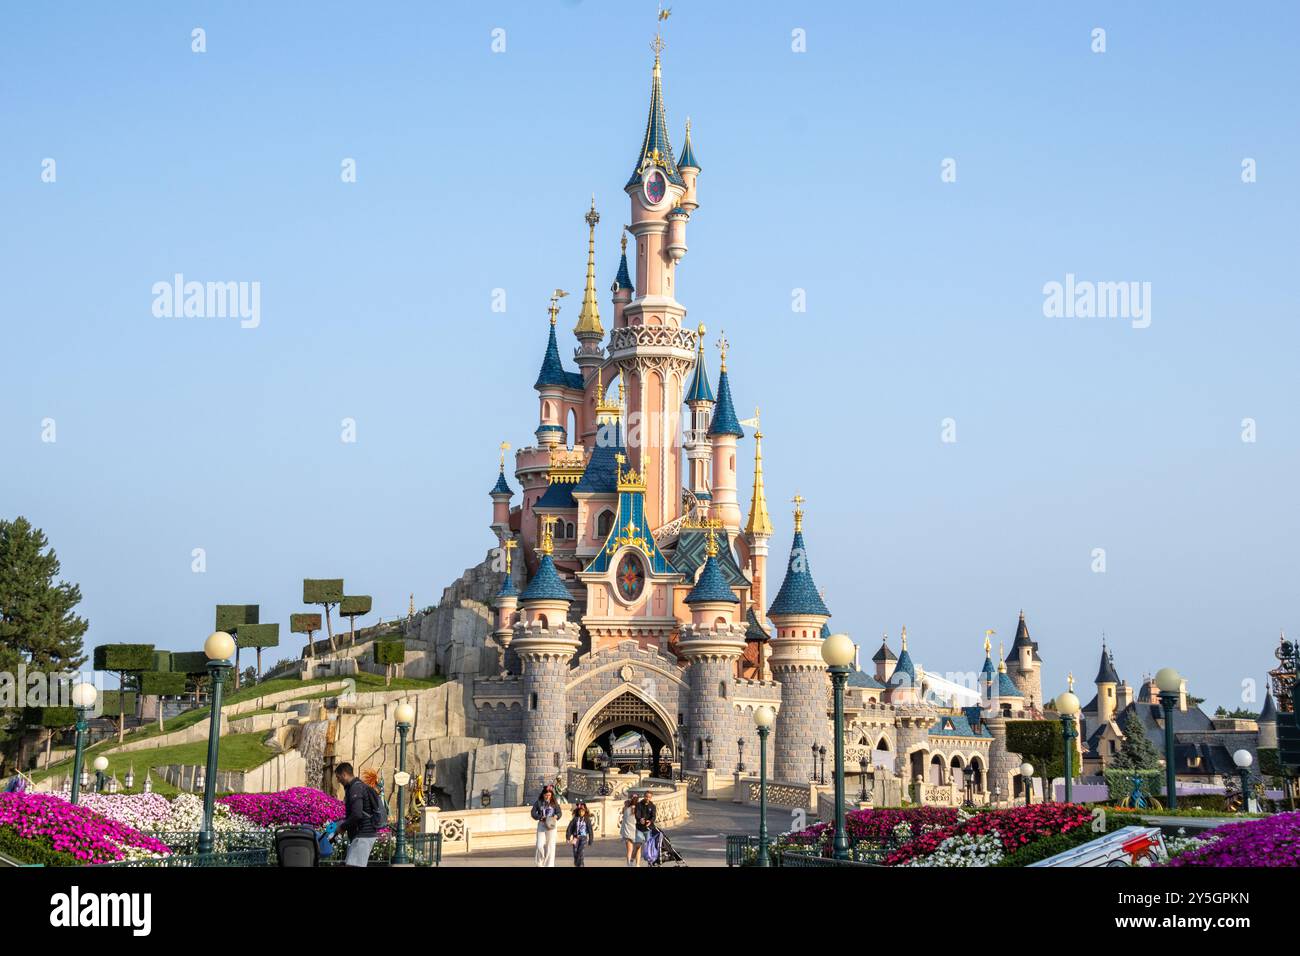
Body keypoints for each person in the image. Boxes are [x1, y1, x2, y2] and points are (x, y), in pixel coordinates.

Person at [334, 762, 380, 867]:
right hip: (361, 836)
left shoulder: (356, 788)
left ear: (344, 774)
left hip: (363, 835)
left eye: (338, 777)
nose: (338, 780)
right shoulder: (356, 786)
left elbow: (357, 814)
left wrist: (342, 827)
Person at [531, 784, 563, 866]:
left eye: (549, 795)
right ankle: (539, 863)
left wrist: (556, 816)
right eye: (546, 795)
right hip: (542, 825)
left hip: (552, 826)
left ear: (551, 795)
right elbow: (533, 813)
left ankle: (549, 865)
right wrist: (540, 817)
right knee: (539, 845)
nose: (547, 797)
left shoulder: (554, 803)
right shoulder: (538, 802)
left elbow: (559, 812)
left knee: (550, 846)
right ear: (543, 795)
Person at [565, 801, 594, 867]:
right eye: (580, 811)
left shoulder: (587, 819)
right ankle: (577, 863)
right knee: (575, 852)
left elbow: (590, 830)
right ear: (578, 811)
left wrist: (590, 840)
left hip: (583, 837)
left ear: (585, 812)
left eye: (583, 811)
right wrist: (568, 837)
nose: (581, 813)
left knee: (580, 851)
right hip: (576, 837)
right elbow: (570, 828)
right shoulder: (575, 819)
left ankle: (581, 865)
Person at [620, 796, 639, 867]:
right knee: (637, 849)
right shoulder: (638, 810)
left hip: (627, 832)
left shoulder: (626, 809)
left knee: (629, 850)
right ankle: (637, 864)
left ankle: (628, 864)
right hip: (636, 832)